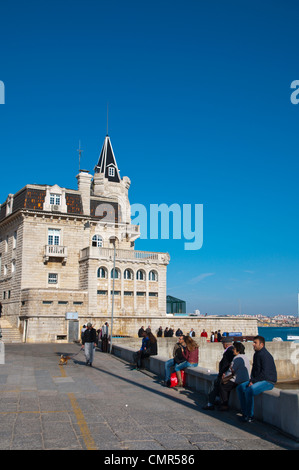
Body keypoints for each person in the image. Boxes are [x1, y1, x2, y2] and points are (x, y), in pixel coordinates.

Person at [237, 335, 277, 422]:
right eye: (253, 342)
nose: (253, 344)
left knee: (249, 391)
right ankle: (244, 413)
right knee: (240, 388)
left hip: (268, 381)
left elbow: (265, 373)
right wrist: (251, 380)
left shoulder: (265, 355)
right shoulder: (256, 354)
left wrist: (253, 382)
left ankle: (250, 416)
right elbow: (255, 370)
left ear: (261, 344)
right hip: (259, 379)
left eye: (255, 343)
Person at [202, 337, 235, 410]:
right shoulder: (232, 350)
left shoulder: (228, 351)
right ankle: (217, 400)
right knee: (217, 384)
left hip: (226, 375)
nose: (222, 345)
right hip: (229, 374)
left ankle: (210, 403)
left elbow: (226, 364)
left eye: (223, 344)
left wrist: (222, 373)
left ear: (225, 344)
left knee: (214, 384)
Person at [218, 341, 250, 411]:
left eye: (234, 349)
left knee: (223, 386)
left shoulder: (236, 358)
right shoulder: (245, 357)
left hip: (238, 380)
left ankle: (224, 405)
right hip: (246, 379)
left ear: (238, 350)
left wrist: (224, 376)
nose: (233, 350)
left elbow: (231, 370)